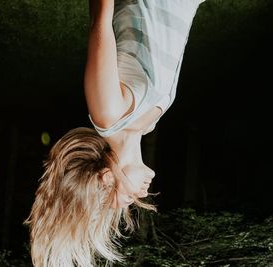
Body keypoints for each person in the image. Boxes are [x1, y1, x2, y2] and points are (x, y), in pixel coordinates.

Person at [24, 0, 206, 266]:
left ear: (106, 177)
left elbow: (100, 20)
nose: (140, 195)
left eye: (128, 197)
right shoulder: (145, 125)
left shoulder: (109, 113)